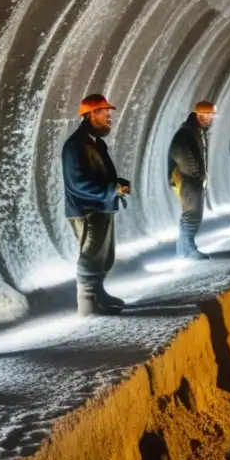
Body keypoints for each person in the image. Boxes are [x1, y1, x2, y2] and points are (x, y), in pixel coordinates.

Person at [62, 94, 130, 316]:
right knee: (91, 254)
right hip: (86, 210)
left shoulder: (96, 143)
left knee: (104, 255)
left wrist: (117, 184)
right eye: (105, 113)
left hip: (102, 206)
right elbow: (77, 183)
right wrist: (110, 190)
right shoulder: (74, 146)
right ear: (91, 114)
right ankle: (87, 302)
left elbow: (103, 174)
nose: (110, 118)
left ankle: (98, 294)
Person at [169, 100, 215, 260]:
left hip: (191, 179)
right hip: (187, 180)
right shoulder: (186, 132)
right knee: (191, 214)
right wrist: (194, 171)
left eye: (212, 115)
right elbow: (177, 150)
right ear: (199, 115)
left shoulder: (196, 131)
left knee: (193, 213)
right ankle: (187, 250)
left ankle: (185, 249)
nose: (211, 118)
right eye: (208, 115)